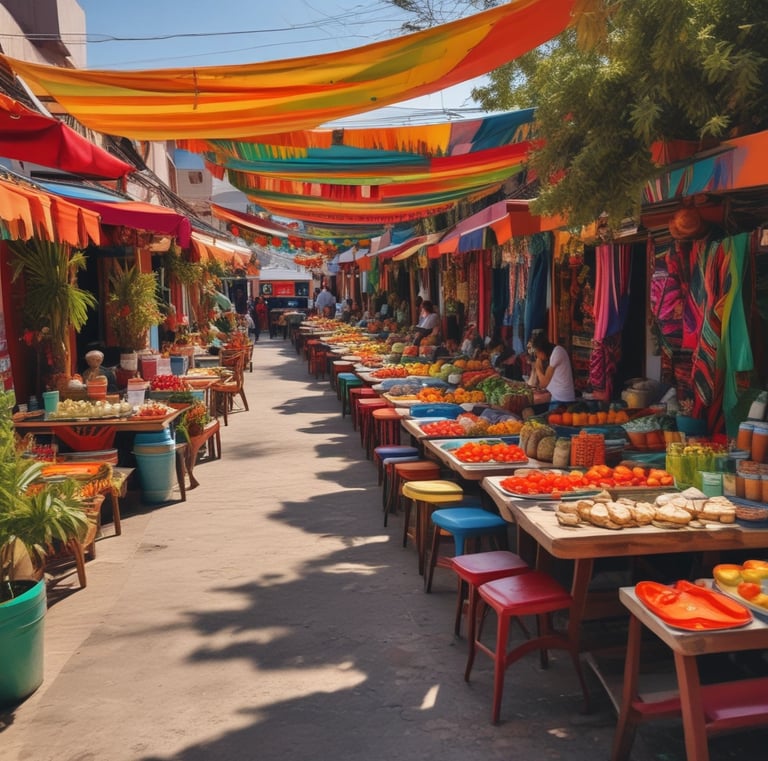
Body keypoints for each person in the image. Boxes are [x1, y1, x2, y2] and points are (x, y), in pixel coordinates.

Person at [528, 332, 575, 405]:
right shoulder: (551, 354)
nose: (536, 356)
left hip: (561, 400)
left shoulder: (557, 353)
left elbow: (543, 383)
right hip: (554, 396)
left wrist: (537, 367)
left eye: (537, 353)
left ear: (541, 350)